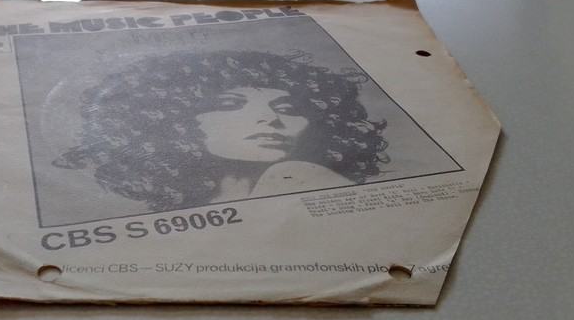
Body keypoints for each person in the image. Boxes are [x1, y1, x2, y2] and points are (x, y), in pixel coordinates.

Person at [54, 50, 389, 212]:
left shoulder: (314, 186)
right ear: (175, 119)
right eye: (230, 104)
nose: (269, 119)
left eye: (287, 108)